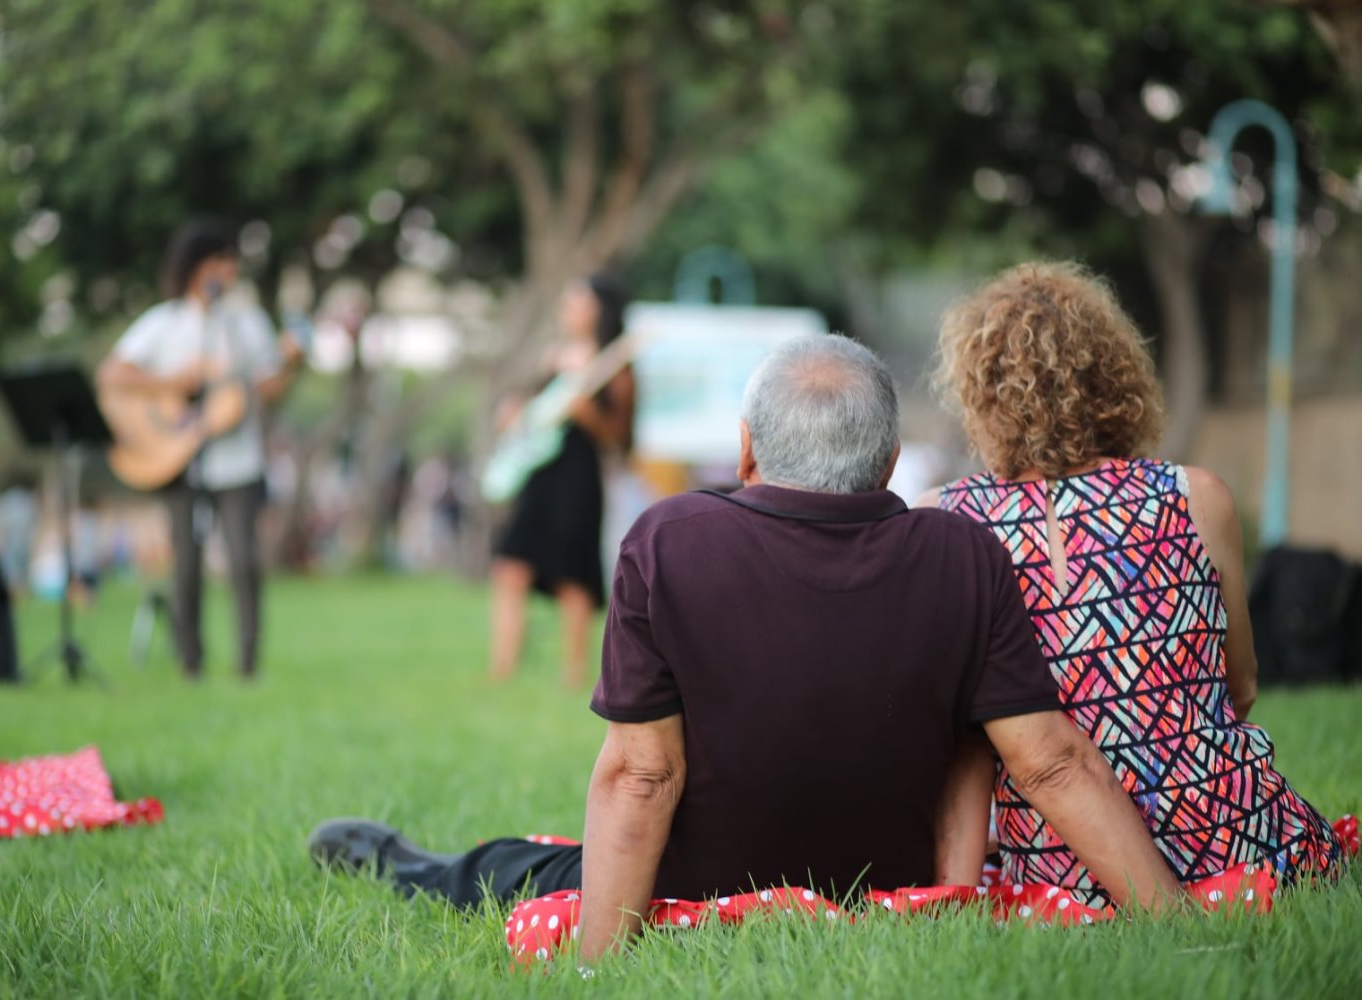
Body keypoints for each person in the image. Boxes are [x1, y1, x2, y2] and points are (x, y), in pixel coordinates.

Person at [310, 334, 1183, 964]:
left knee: (512, 866)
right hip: (890, 877)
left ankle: (398, 861)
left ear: (746, 449)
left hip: (698, 879)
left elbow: (641, 775)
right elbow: (1051, 764)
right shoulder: (963, 552)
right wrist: (1175, 920)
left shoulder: (670, 538)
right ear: (886, 462)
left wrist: (595, 966)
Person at [920, 261, 1347, 907]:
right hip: (1242, 844)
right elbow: (1243, 686)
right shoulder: (1195, 496)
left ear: (980, 393)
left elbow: (959, 730)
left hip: (1058, 867)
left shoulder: (945, 521)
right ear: (1113, 376)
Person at [96, 219, 304, 679]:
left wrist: (289, 364)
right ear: (194, 266)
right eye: (219, 260)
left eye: (231, 262)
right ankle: (191, 662)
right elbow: (112, 374)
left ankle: (248, 664)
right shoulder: (163, 323)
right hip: (179, 460)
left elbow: (265, 391)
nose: (227, 270)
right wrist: (174, 382)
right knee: (185, 567)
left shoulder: (245, 323)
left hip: (239, 461)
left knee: (245, 562)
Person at [488, 274, 636, 687]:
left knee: (573, 578)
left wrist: (585, 412)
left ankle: (574, 675)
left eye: (576, 301)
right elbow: (536, 414)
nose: (567, 309)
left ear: (598, 309)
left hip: (580, 479)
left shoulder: (615, 363)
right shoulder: (555, 357)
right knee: (511, 567)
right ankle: (502, 668)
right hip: (540, 474)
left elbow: (621, 437)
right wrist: (516, 412)